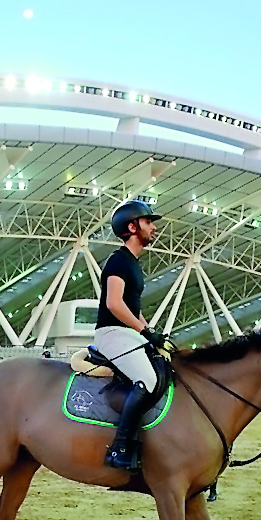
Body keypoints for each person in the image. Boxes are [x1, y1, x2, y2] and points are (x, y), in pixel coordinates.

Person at [93, 199, 165, 471]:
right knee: (146, 379)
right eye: (149, 222)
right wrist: (144, 331)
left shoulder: (134, 264)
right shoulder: (118, 260)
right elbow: (114, 303)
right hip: (111, 333)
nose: (154, 228)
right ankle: (121, 448)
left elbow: (133, 308)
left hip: (127, 333)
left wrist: (152, 334)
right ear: (133, 227)